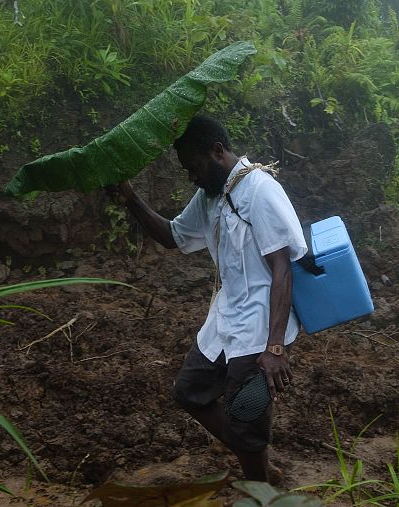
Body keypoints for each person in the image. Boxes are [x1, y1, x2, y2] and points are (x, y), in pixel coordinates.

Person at [105, 115, 307, 482]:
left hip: (261, 325)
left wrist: (275, 349)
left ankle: (257, 486)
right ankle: (259, 466)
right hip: (226, 318)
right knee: (189, 391)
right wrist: (130, 198)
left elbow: (283, 267)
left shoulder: (260, 190)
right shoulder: (210, 197)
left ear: (217, 152)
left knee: (246, 414)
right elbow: (172, 236)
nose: (191, 177)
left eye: (193, 168)